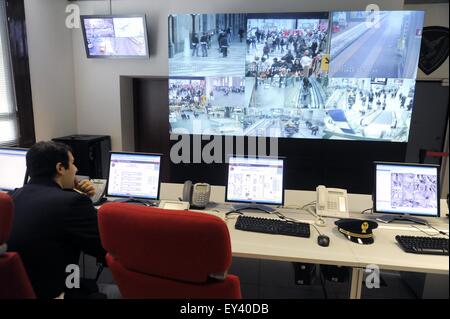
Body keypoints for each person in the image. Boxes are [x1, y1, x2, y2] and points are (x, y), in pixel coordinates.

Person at [7, 141, 107, 299]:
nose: (76, 169)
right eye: (73, 163)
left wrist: (75, 194)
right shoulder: (73, 203)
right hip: (55, 292)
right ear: (60, 168)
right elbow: (104, 249)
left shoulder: (11, 198)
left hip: (17, 289)